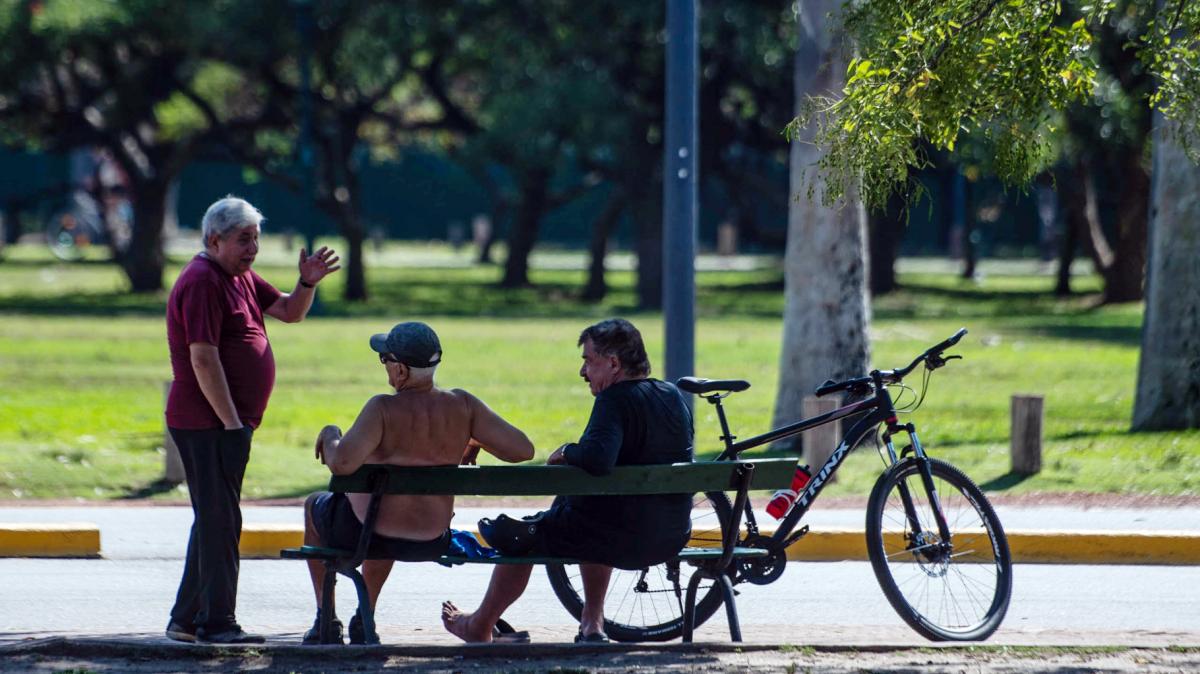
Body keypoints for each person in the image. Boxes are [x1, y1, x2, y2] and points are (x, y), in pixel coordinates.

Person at [442, 318, 694, 643]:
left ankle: (479, 624)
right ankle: (592, 624)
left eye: (589, 361)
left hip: (620, 538)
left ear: (614, 363)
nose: (583, 372)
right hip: (669, 536)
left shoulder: (613, 399)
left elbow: (598, 458)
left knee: (523, 536)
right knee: (589, 514)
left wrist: (565, 451)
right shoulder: (671, 395)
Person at [164, 196, 340, 644]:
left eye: (256, 240)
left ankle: (186, 620)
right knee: (221, 522)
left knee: (213, 519)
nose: (253, 249)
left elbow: (288, 312)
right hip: (208, 424)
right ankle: (217, 624)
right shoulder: (203, 280)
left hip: (227, 423)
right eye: (244, 240)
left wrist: (306, 283)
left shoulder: (238, 276)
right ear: (214, 239)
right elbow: (203, 359)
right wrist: (230, 424)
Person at [303, 321, 535, 645]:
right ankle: (364, 615)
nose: (384, 368)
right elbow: (523, 449)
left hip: (367, 535)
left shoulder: (382, 408)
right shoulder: (463, 406)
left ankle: (325, 618)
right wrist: (475, 438)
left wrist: (330, 434)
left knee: (315, 505)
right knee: (382, 516)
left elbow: (342, 462)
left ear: (399, 370)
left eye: (384, 360)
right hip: (431, 538)